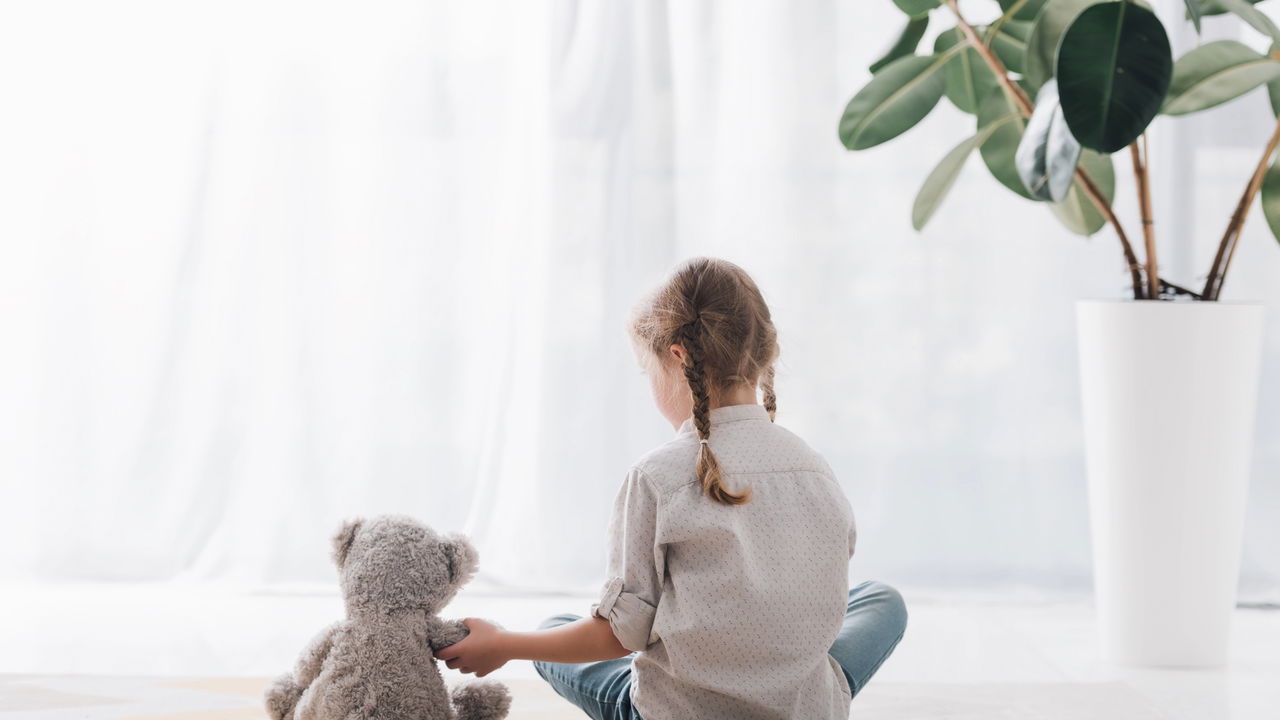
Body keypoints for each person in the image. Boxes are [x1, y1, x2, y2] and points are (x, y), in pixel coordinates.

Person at [435, 257, 907, 719]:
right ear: (764, 354)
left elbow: (617, 637)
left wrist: (504, 645)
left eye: (648, 371)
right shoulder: (814, 468)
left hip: (677, 711)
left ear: (678, 357)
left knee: (551, 632)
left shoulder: (657, 475)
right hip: (803, 707)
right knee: (882, 600)